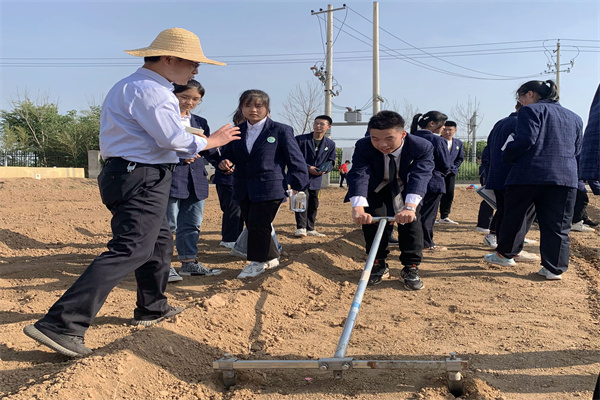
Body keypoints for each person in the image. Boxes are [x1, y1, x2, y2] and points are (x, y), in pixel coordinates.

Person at [22, 28, 240, 357]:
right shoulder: (151, 90)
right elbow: (172, 139)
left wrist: (182, 148)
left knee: (159, 241)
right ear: (169, 58)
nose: (195, 70)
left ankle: (152, 307)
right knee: (132, 248)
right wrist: (213, 141)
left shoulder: (138, 86)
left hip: (134, 173)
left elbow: (162, 139)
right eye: (192, 63)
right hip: (138, 176)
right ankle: (61, 323)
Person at [485, 80, 583, 281]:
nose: (520, 102)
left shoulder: (530, 111)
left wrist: (507, 155)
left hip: (529, 174)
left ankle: (505, 255)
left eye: (520, 97)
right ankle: (553, 269)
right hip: (565, 177)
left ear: (529, 94)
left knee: (516, 216)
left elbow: (526, 140)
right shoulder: (575, 117)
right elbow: (577, 150)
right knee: (558, 225)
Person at [218, 90, 308, 279]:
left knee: (259, 223)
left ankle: (257, 262)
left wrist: (299, 184)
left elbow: (295, 159)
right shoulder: (236, 131)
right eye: (248, 105)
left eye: (259, 106)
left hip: (270, 186)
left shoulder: (280, 130)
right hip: (243, 187)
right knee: (254, 224)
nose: (253, 110)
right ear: (241, 108)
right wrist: (224, 162)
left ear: (267, 109)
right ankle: (271, 256)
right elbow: (227, 154)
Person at [346, 110, 434, 290]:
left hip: (406, 187)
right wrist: (358, 207)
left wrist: (409, 207)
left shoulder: (421, 146)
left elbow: (420, 175)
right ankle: (378, 264)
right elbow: (359, 174)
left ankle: (410, 267)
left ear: (402, 134)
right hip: (377, 188)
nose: (382, 144)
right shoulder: (364, 146)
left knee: (412, 223)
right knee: (373, 222)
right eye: (375, 138)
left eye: (389, 138)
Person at [167, 79, 222, 283]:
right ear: (173, 96)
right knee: (167, 224)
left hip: (195, 179)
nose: (189, 102)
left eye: (195, 99)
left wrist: (221, 161)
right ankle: (163, 265)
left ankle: (189, 262)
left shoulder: (200, 122)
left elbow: (208, 147)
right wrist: (179, 157)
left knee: (191, 223)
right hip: (171, 177)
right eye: (184, 97)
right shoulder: (165, 120)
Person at [409, 111, 452, 251]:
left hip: (411, 182)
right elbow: (445, 163)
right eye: (442, 125)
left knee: (413, 213)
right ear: (432, 124)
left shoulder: (409, 137)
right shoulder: (438, 140)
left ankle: (412, 242)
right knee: (428, 215)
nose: (443, 128)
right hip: (433, 182)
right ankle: (426, 243)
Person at [293, 115, 337, 237]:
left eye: (322, 124)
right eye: (316, 123)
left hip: (316, 179)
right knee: (300, 200)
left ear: (328, 127)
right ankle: (301, 228)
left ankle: (310, 228)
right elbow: (294, 157)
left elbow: (331, 161)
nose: (318, 126)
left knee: (313, 202)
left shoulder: (330, 144)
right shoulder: (300, 140)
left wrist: (325, 169)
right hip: (300, 177)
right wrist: (308, 167)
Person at [437, 120, 463, 225]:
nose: (447, 132)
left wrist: (453, 168)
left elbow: (460, 158)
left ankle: (444, 216)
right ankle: (432, 216)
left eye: (450, 130)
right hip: (438, 173)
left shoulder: (458, 143)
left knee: (449, 194)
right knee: (436, 194)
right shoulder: (436, 141)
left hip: (451, 173)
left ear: (455, 130)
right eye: (445, 129)